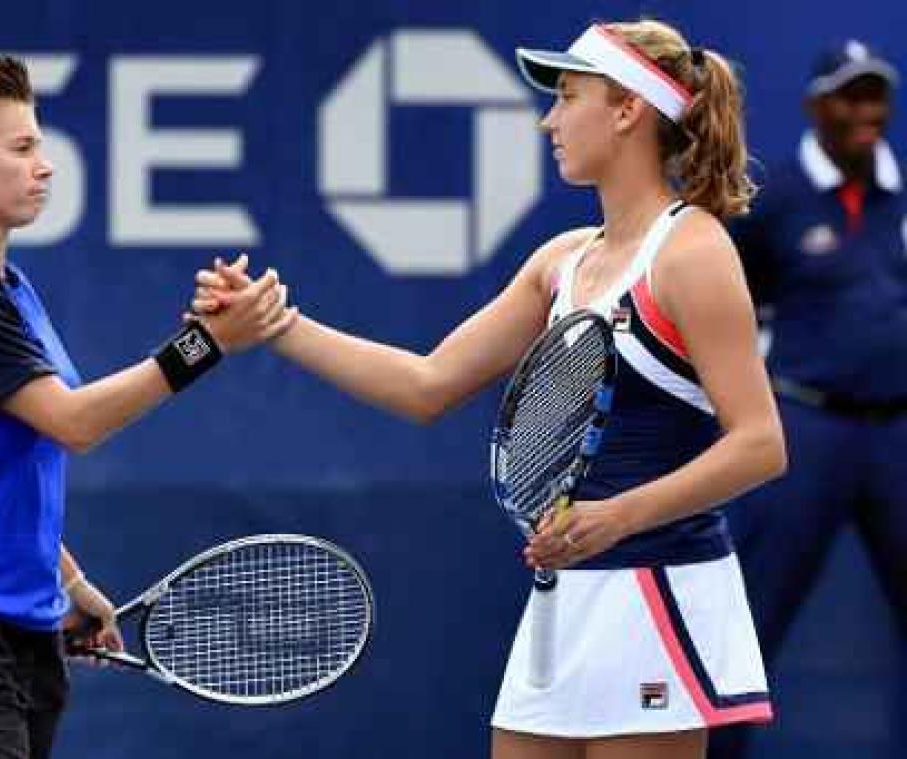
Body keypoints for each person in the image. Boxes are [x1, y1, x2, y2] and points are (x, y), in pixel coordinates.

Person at [194, 19, 786, 759]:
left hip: (658, 595)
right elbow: (427, 384)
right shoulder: (562, 260)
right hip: (564, 596)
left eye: (567, 97)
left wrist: (617, 517)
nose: (549, 121)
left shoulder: (693, 252)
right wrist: (275, 324)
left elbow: (761, 444)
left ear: (628, 110)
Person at [0, 55, 294, 759]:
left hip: (22, 633)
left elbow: (0, 465)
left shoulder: (11, 289)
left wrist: (67, 580)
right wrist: (206, 344)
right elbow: (74, 422)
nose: (46, 165)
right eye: (21, 147)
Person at [709, 40, 907, 759]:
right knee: (748, 625)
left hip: (896, 436)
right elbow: (722, 310)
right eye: (850, 96)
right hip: (803, 431)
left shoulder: (900, 195)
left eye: (875, 95)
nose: (866, 111)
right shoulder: (775, 201)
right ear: (815, 107)